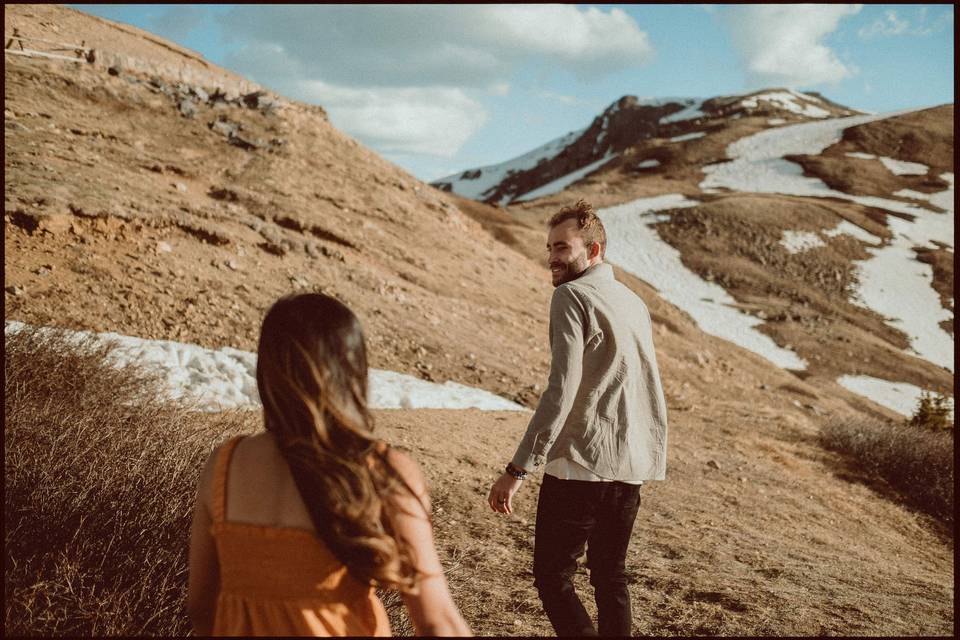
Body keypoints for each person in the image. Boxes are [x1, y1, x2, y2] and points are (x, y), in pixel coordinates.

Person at [188, 293, 472, 637]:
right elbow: (437, 622)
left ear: (268, 370)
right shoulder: (382, 471)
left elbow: (202, 610)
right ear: (352, 372)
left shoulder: (224, 464)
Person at [487, 199, 668, 637]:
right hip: (630, 466)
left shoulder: (571, 296)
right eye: (550, 247)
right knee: (610, 577)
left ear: (595, 249)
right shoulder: (632, 302)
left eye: (563, 247)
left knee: (553, 577)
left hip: (580, 466)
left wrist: (517, 469)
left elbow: (561, 389)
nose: (552, 257)